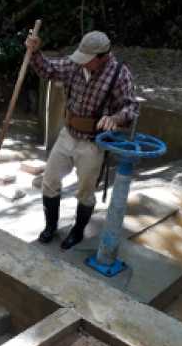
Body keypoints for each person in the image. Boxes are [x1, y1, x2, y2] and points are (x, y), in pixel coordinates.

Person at [25, 30, 139, 249]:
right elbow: (49, 70)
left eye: (88, 60)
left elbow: (131, 107)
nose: (82, 63)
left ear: (103, 57)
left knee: (85, 192)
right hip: (68, 134)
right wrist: (35, 51)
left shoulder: (118, 74)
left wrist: (115, 117)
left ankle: (77, 231)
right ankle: (51, 227)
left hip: (93, 143)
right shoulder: (75, 65)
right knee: (49, 181)